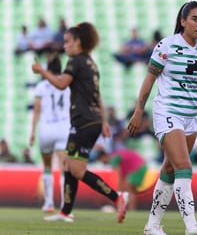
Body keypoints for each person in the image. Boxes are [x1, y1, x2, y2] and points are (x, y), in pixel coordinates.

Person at [128, 1, 197, 235]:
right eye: (195, 19)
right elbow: (149, 79)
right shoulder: (167, 46)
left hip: (192, 117)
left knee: (170, 169)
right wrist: (138, 110)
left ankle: (152, 225)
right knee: (184, 166)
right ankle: (191, 224)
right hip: (167, 113)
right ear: (183, 21)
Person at [32, 22, 129, 223]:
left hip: (83, 121)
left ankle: (117, 197)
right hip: (90, 120)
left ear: (78, 42)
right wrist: (103, 121)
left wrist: (41, 70)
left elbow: (60, 84)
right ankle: (65, 212)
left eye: (68, 42)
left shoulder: (75, 61)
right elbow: (97, 94)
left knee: (77, 170)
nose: (65, 46)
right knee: (67, 163)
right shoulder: (91, 64)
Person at [29, 54, 71, 213]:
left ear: (47, 68)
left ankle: (48, 203)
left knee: (47, 167)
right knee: (63, 167)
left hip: (46, 129)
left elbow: (37, 110)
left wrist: (32, 132)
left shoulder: (41, 86)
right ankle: (64, 206)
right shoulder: (66, 84)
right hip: (63, 129)